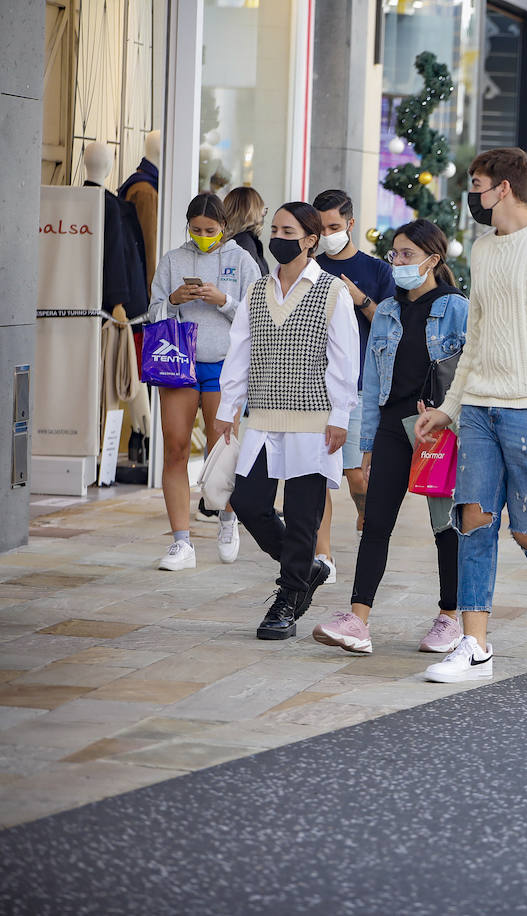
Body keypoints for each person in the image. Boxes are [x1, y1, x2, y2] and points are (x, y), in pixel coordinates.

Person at [413, 147, 527, 682]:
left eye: (477, 183)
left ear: (505, 188)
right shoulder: (483, 249)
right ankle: (475, 644)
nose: (472, 194)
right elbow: (476, 341)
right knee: (473, 520)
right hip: (479, 409)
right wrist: (449, 408)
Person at [310, 220, 467, 656]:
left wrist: (447, 414)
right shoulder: (390, 312)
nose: (397, 262)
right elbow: (373, 379)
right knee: (375, 523)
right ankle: (358, 620)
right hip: (393, 427)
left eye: (407, 255)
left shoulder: (456, 307)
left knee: (445, 526)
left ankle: (449, 618)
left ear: (433, 261)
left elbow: (471, 370)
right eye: (395, 254)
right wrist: (368, 444)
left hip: (440, 431)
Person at [216, 202, 360, 640]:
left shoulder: (332, 292)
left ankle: (288, 598)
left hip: (314, 423)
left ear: (311, 239)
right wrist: (228, 407)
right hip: (261, 418)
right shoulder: (258, 290)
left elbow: (344, 360)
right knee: (249, 504)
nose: (277, 235)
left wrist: (339, 416)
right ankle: (307, 567)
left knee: (302, 518)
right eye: (274, 227)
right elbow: (240, 349)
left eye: (287, 229)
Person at [148, 192, 262, 571]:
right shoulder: (173, 260)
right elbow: (152, 313)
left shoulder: (241, 260)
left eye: (210, 230)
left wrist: (223, 300)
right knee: (176, 448)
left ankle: (228, 520)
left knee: (222, 451)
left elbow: (258, 317)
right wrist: (175, 300)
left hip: (224, 367)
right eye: (195, 230)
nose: (202, 235)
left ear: (224, 228)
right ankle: (181, 542)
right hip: (178, 363)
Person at [311, 188, 397, 579]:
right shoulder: (310, 267)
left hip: (361, 385)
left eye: (333, 226)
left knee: (356, 475)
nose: (327, 233)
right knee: (316, 476)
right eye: (321, 226)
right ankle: (323, 555)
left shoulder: (378, 271)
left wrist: (358, 298)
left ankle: (365, 511)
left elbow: (391, 323)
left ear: (350, 224)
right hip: (313, 383)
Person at [223, 186, 269, 275]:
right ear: (253, 212)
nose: (263, 214)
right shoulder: (244, 244)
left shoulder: (239, 242)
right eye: (263, 210)